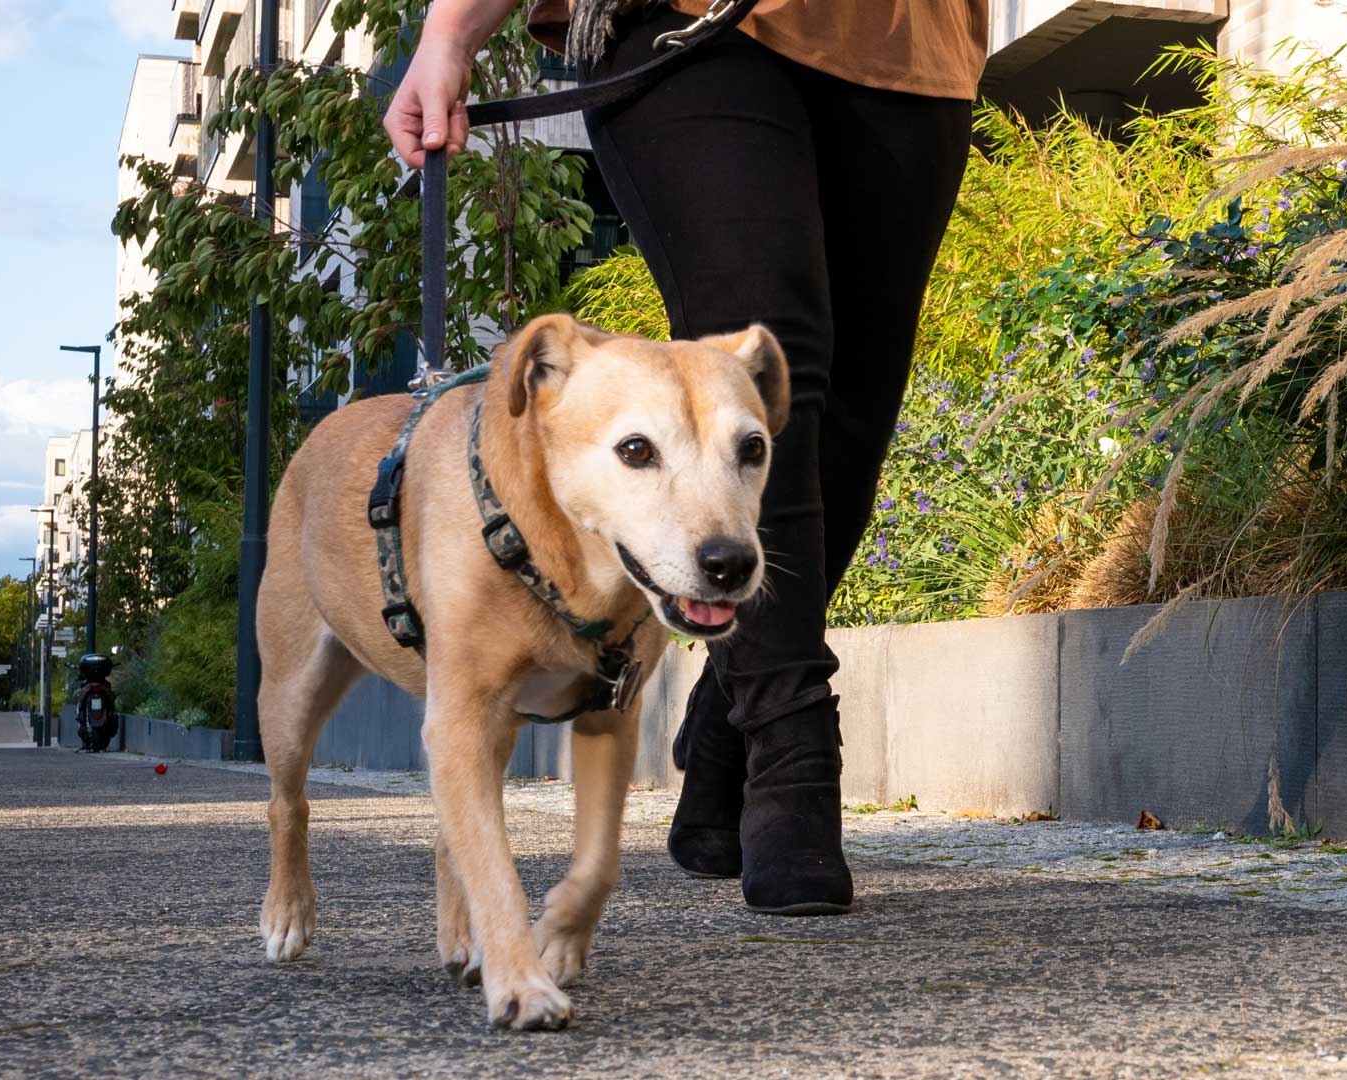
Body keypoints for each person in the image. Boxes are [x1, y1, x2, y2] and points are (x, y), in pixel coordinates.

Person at [386, 0, 987, 915]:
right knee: (776, 355)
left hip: (907, 37)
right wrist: (452, 33)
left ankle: (722, 733)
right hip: (684, 22)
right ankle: (792, 760)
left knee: (846, 421)